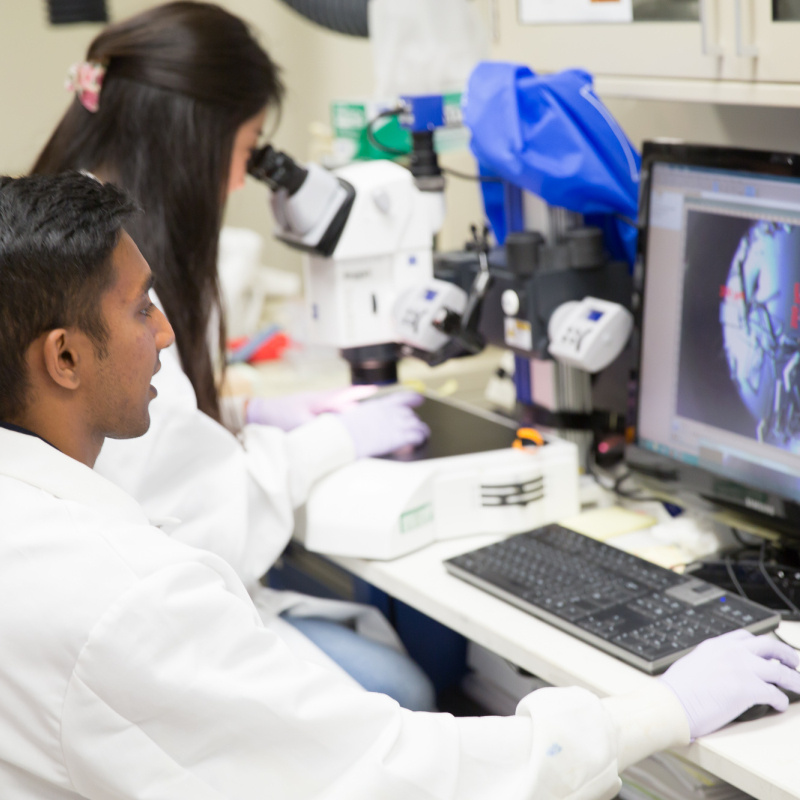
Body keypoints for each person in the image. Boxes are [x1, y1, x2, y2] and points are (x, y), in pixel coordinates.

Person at [3, 170, 800, 800]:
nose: (168, 333)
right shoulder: (126, 600)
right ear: (65, 359)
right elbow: (391, 775)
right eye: (143, 310)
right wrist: (661, 710)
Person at [32, 1, 435, 709]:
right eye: (245, 152)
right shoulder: (100, 270)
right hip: (134, 621)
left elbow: (154, 435)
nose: (242, 181)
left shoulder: (68, 215)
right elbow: (198, 510)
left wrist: (254, 410)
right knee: (401, 689)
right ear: (191, 139)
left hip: (83, 593)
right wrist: (326, 443)